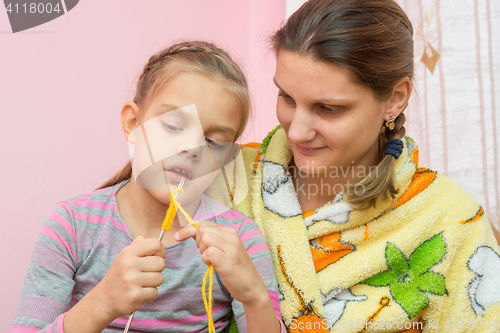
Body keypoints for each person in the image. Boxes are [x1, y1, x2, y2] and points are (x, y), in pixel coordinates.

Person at [203, 0, 500, 332]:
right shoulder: (223, 177)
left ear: (395, 99)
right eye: (287, 98)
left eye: (328, 108)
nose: (297, 130)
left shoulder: (450, 221)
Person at [10, 41, 284, 333]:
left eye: (212, 141)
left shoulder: (240, 239)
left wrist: (254, 297)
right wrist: (102, 302)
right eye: (173, 126)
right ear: (132, 122)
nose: (192, 148)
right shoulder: (71, 225)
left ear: (228, 157)